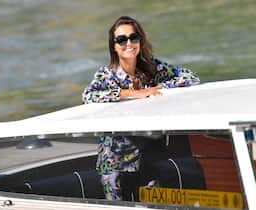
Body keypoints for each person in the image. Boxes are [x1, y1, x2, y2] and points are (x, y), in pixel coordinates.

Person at [82, 16, 200, 200]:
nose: (129, 43)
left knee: (154, 205)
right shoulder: (106, 75)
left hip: (149, 157)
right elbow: (88, 96)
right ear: (113, 46)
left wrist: (160, 87)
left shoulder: (153, 68)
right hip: (115, 162)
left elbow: (191, 77)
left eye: (133, 37)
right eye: (121, 39)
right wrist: (131, 94)